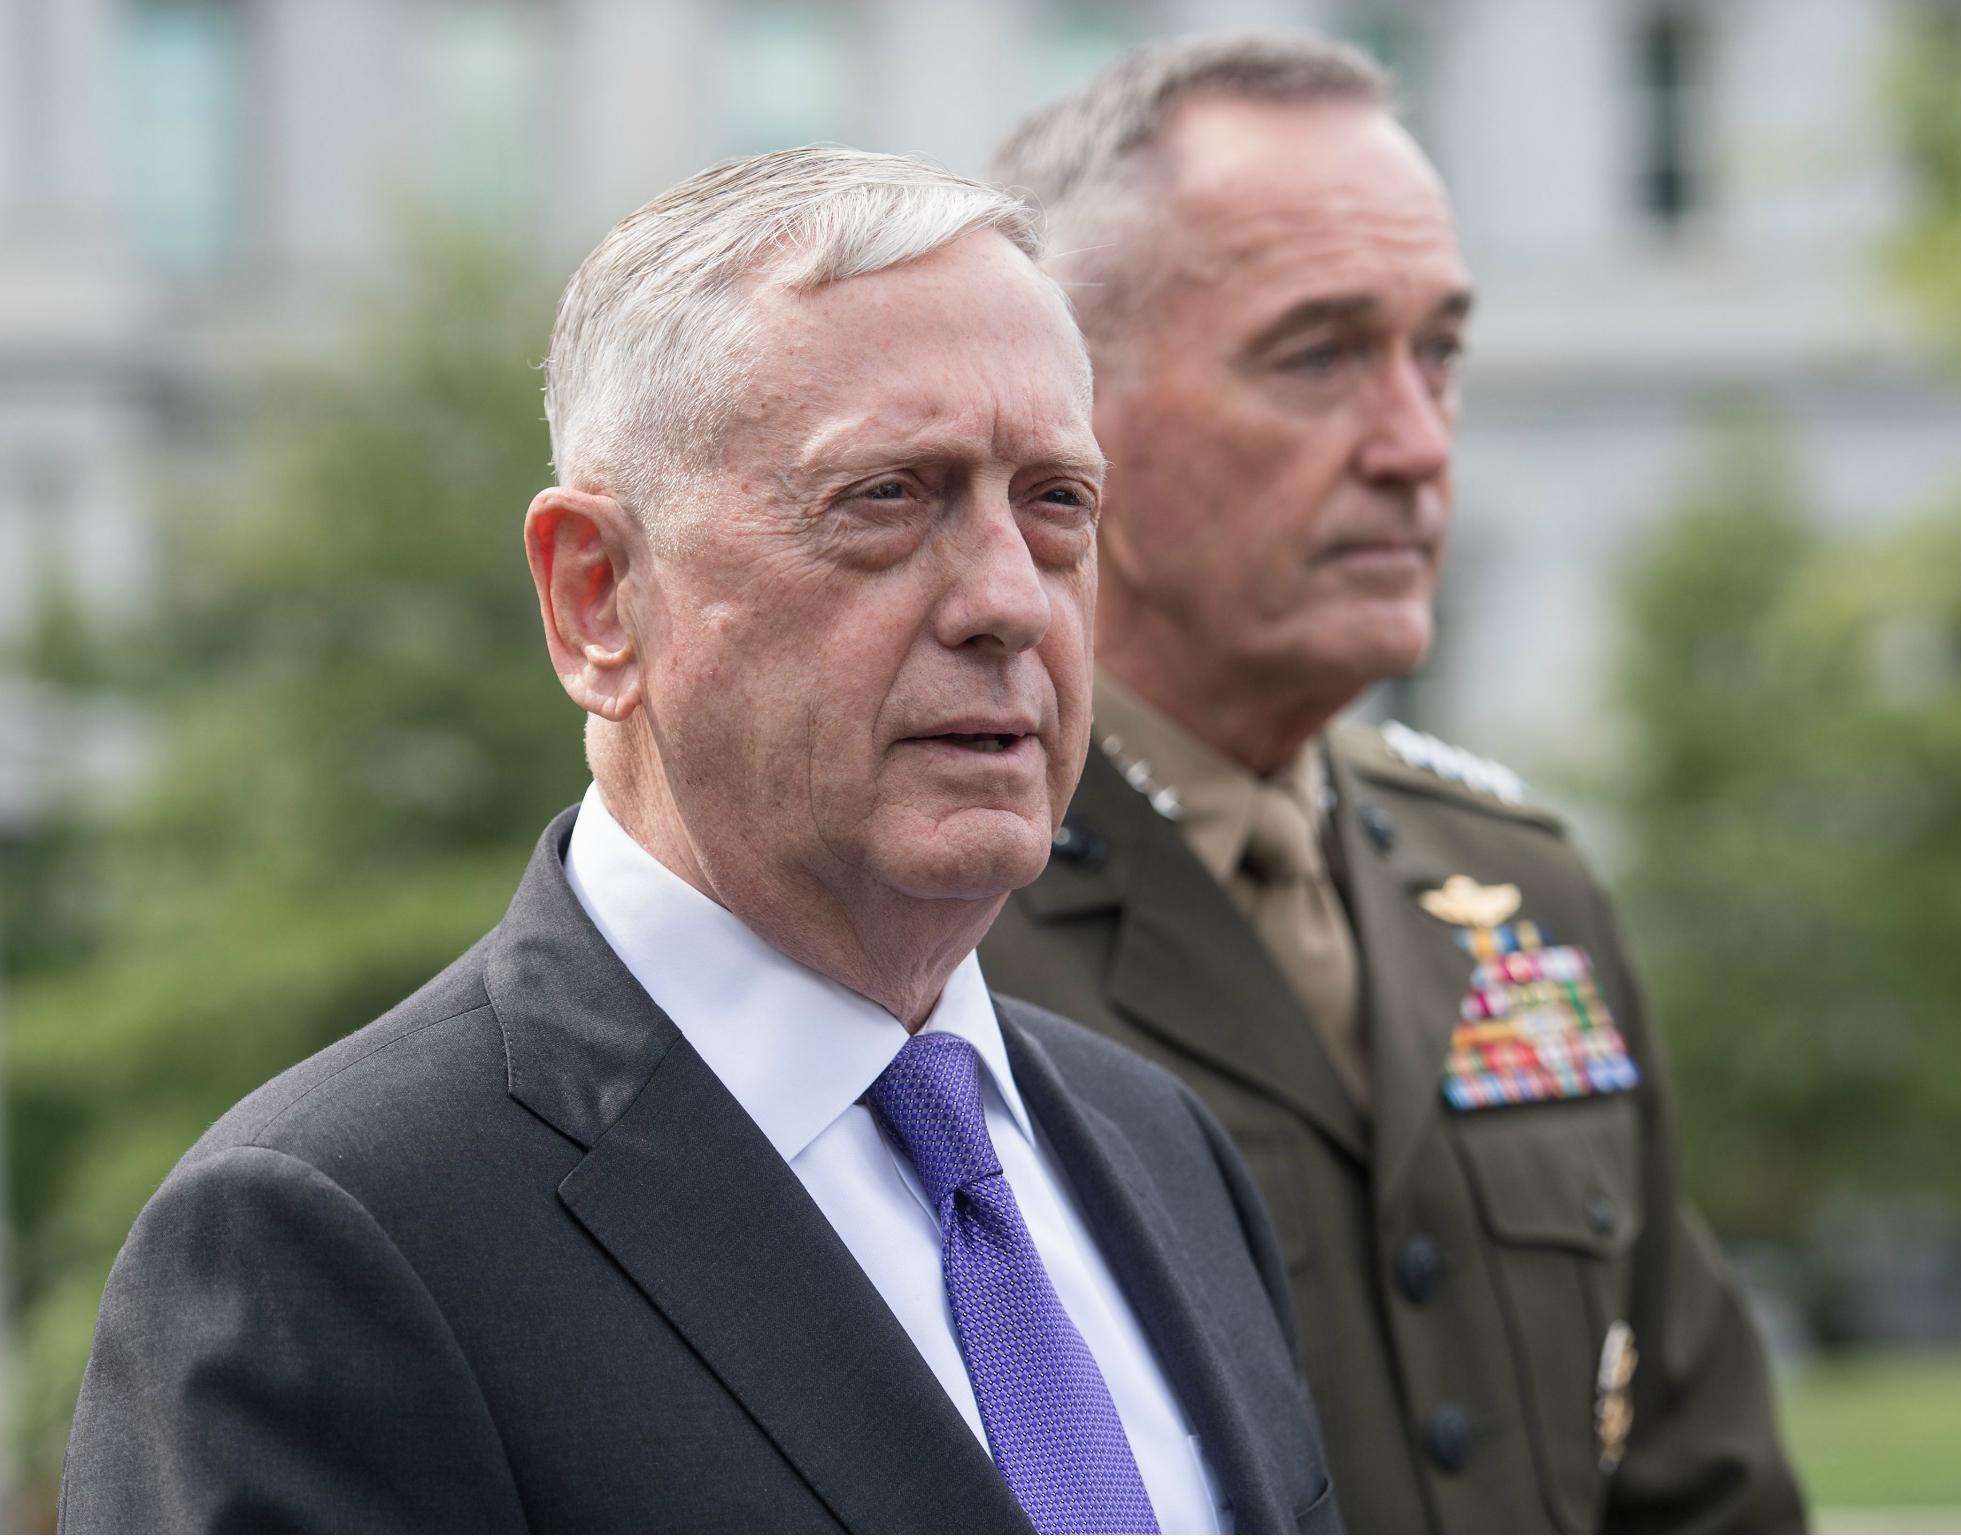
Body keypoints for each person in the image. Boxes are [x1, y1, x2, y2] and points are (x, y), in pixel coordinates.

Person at [59, 148, 1339, 1534]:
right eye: (888, 498)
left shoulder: (1162, 1150)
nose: (1007, 602)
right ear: (595, 598)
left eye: (1055, 505)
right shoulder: (323, 1247)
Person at [979, 32, 1806, 1533]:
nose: (1419, 446)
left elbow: (1705, 1484)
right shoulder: (935, 925)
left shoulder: (1517, 889)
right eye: (1319, 355)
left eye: (1440, 354)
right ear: (1069, 412)